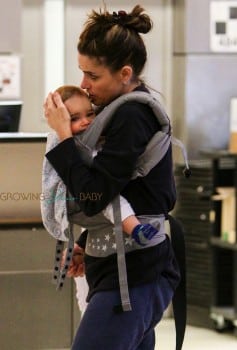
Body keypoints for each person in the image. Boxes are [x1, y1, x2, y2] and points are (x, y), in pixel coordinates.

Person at [44, 4, 181, 350]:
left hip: (137, 272)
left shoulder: (132, 116)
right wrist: (86, 242)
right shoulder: (115, 113)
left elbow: (95, 195)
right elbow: (124, 190)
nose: (83, 85)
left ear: (124, 73)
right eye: (82, 73)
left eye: (93, 76)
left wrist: (63, 139)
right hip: (122, 266)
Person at [42, 84, 159, 314]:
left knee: (114, 203)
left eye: (90, 113)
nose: (86, 122)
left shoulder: (110, 135)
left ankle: (136, 229)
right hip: (96, 235)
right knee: (111, 203)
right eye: (74, 118)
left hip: (107, 251)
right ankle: (135, 229)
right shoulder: (69, 145)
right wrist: (65, 133)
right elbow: (88, 193)